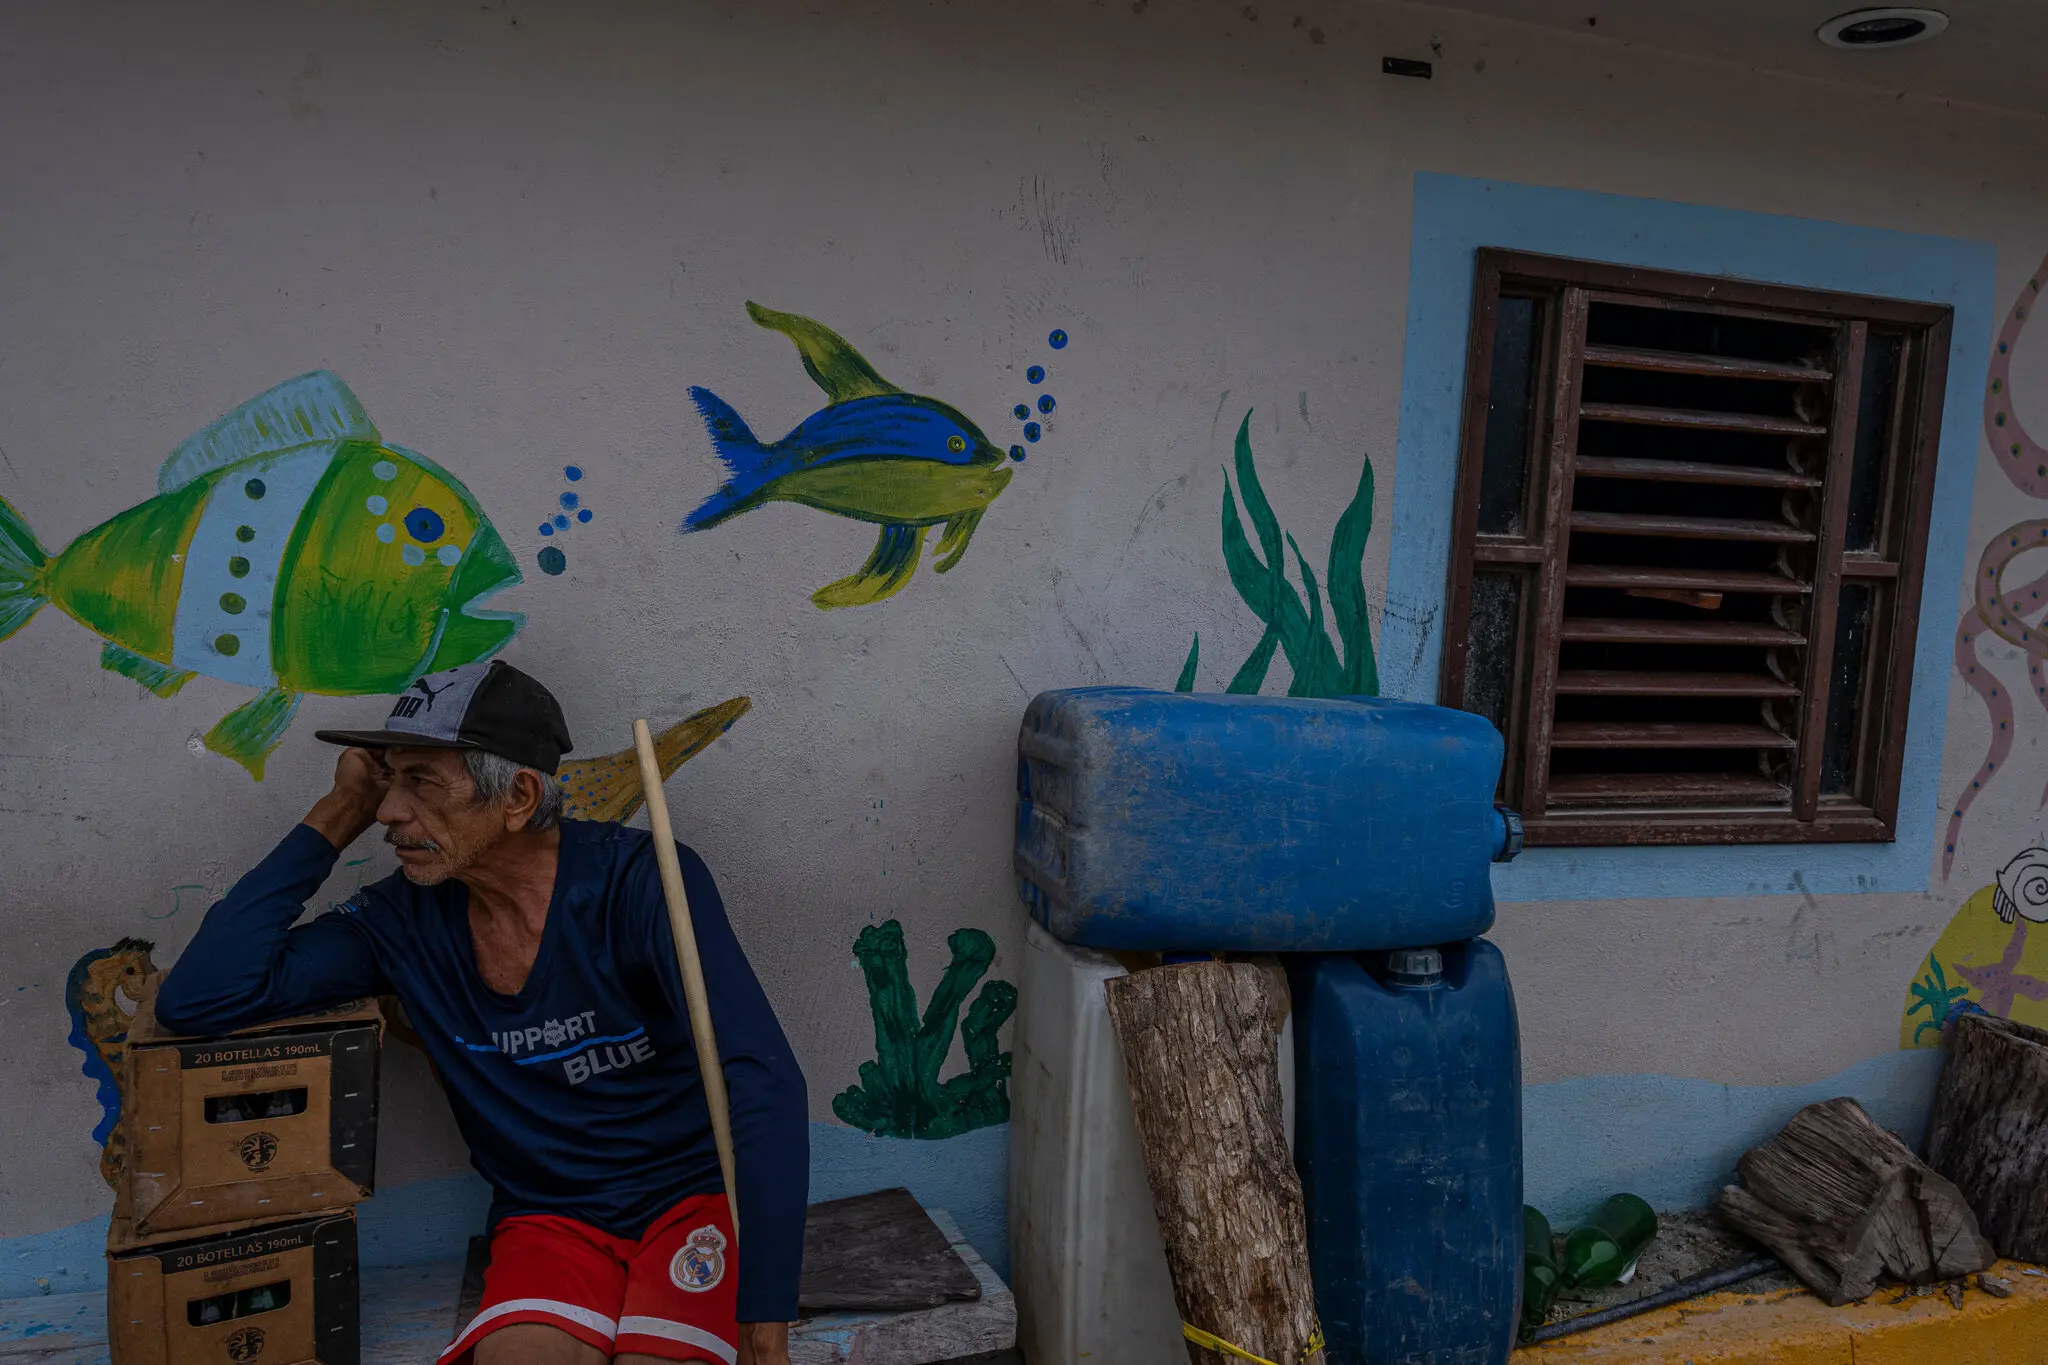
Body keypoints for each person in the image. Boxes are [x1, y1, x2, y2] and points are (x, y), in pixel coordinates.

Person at [157, 660, 807, 1365]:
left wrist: (766, 1317)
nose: (389, 810)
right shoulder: (399, 920)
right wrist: (336, 811)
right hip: (548, 1221)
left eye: (422, 781)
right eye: (390, 776)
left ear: (519, 796)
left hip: (691, 1205)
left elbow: (762, 1079)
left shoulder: (641, 882)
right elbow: (201, 996)